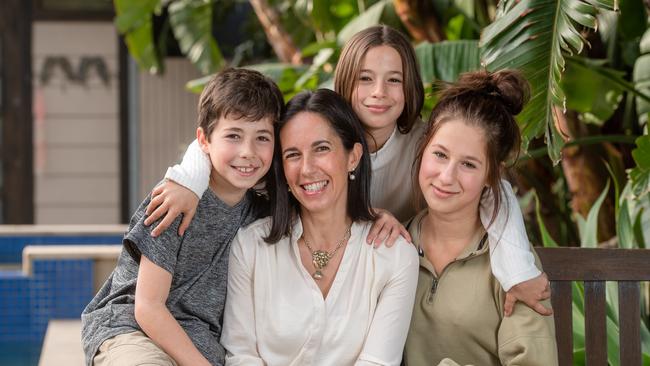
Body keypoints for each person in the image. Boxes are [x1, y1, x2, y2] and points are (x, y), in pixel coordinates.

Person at [146, 25, 550, 316]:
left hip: (390, 281)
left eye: (394, 80)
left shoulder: (425, 146)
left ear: (410, 88)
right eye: (365, 79)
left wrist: (517, 270)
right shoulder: (314, 132)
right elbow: (241, 139)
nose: (379, 93)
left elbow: (492, 187)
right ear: (344, 82)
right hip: (295, 284)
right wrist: (188, 178)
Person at [80, 68, 284, 366]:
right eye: (233, 136)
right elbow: (148, 307)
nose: (247, 151)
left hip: (201, 343)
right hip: (133, 332)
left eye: (262, 137)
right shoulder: (175, 200)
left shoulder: (261, 213)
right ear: (204, 140)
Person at [221, 88, 419, 365]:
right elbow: (241, 356)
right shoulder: (250, 246)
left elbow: (377, 362)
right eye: (292, 155)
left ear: (353, 157)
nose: (307, 168)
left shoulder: (395, 255)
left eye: (321, 149)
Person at [402, 69, 557, 365]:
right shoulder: (397, 243)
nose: (446, 177)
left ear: (492, 175)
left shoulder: (515, 268)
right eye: (440, 155)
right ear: (423, 150)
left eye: (469, 164)